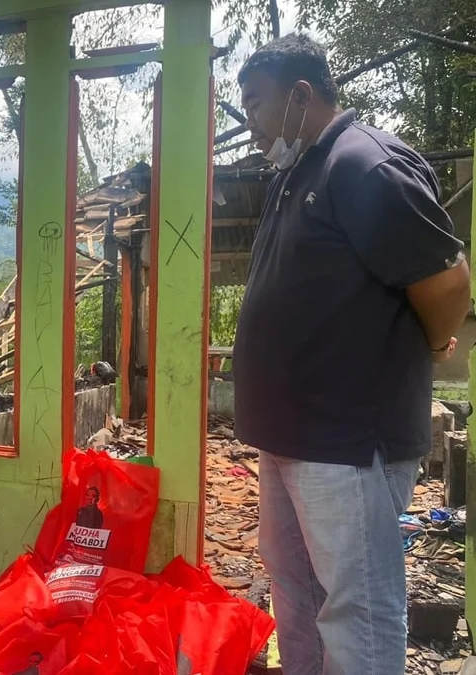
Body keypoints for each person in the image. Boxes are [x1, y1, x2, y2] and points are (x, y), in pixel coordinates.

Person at [233, 34, 471, 675]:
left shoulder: (362, 164)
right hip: (291, 438)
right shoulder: (299, 171)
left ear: (301, 94)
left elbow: (448, 282)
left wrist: (426, 340)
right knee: (297, 589)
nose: (250, 124)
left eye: (255, 105)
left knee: (356, 613)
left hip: (345, 440)